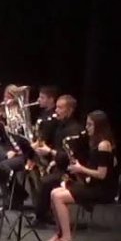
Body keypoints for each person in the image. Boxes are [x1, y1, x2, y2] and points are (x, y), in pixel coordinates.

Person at [46, 111, 117, 241]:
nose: (87, 128)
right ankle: (60, 232)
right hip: (94, 186)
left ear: (99, 126)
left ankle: (66, 238)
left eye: (90, 125)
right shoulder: (96, 143)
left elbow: (101, 175)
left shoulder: (104, 145)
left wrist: (80, 169)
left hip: (102, 190)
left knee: (58, 197)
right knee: (54, 192)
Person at [30, 94, 85, 225]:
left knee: (45, 182)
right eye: (57, 107)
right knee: (34, 173)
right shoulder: (60, 126)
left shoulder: (75, 130)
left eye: (60, 108)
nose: (56, 111)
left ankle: (41, 216)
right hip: (59, 165)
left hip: (73, 171)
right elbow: (58, 149)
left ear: (70, 110)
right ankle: (44, 210)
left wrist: (50, 152)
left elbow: (69, 156)